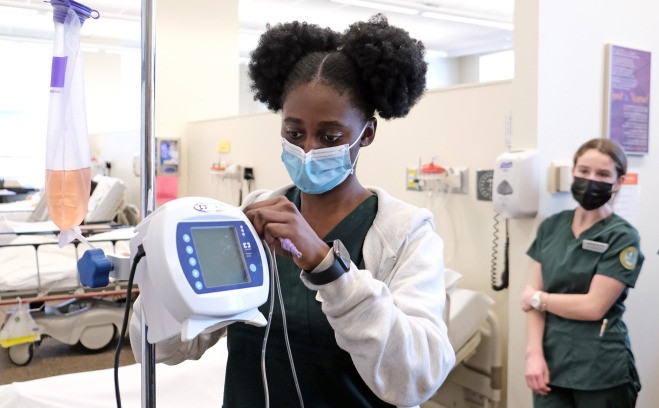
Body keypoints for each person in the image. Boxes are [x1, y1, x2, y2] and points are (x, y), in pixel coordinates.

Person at [130, 14, 455, 407]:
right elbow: (168, 347)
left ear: (366, 133)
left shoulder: (404, 233)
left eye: (330, 136)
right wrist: (160, 273)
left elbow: (417, 379)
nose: (308, 149)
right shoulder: (250, 219)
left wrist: (326, 266)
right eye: (294, 133)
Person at [520, 138, 644, 408]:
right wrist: (534, 355)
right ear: (573, 172)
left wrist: (539, 298)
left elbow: (593, 306)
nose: (591, 179)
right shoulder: (551, 227)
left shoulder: (622, 237)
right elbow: (532, 303)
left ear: (619, 182)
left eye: (602, 174)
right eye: (584, 171)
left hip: (601, 369)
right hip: (549, 365)